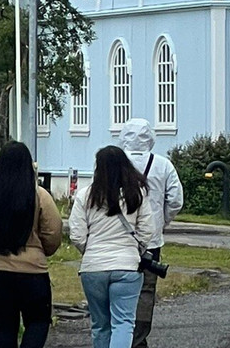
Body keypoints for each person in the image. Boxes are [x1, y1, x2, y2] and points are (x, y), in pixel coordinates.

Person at [0, 141, 63, 348]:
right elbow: (53, 232)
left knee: (3, 325)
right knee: (37, 322)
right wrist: (42, 251)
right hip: (32, 272)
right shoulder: (39, 195)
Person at [69, 146, 155, 348]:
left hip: (93, 268)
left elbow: (77, 235)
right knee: (123, 322)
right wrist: (137, 250)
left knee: (100, 325)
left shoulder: (85, 196)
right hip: (127, 266)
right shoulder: (137, 194)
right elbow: (147, 230)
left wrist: (90, 251)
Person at [119, 119, 183, 348]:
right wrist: (162, 220)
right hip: (151, 241)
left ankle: (119, 333)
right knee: (146, 289)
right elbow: (175, 200)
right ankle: (139, 336)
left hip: (118, 238)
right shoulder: (163, 165)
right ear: (151, 138)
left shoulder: (114, 162)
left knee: (119, 287)